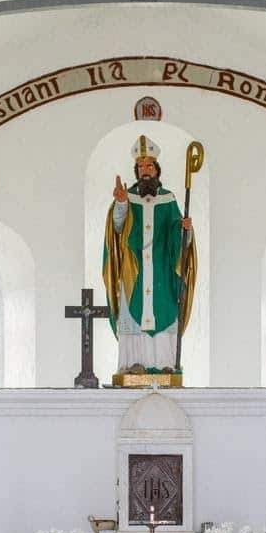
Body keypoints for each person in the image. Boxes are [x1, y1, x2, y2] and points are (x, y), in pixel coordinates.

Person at [103, 135, 196, 374]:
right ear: (136, 171)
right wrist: (121, 204)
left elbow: (177, 235)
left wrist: (184, 229)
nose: (146, 171)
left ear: (157, 170)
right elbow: (116, 229)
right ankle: (134, 364)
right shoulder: (127, 196)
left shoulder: (169, 198)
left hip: (162, 270)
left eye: (150, 166)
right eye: (141, 166)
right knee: (133, 315)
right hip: (134, 271)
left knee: (164, 312)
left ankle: (165, 364)